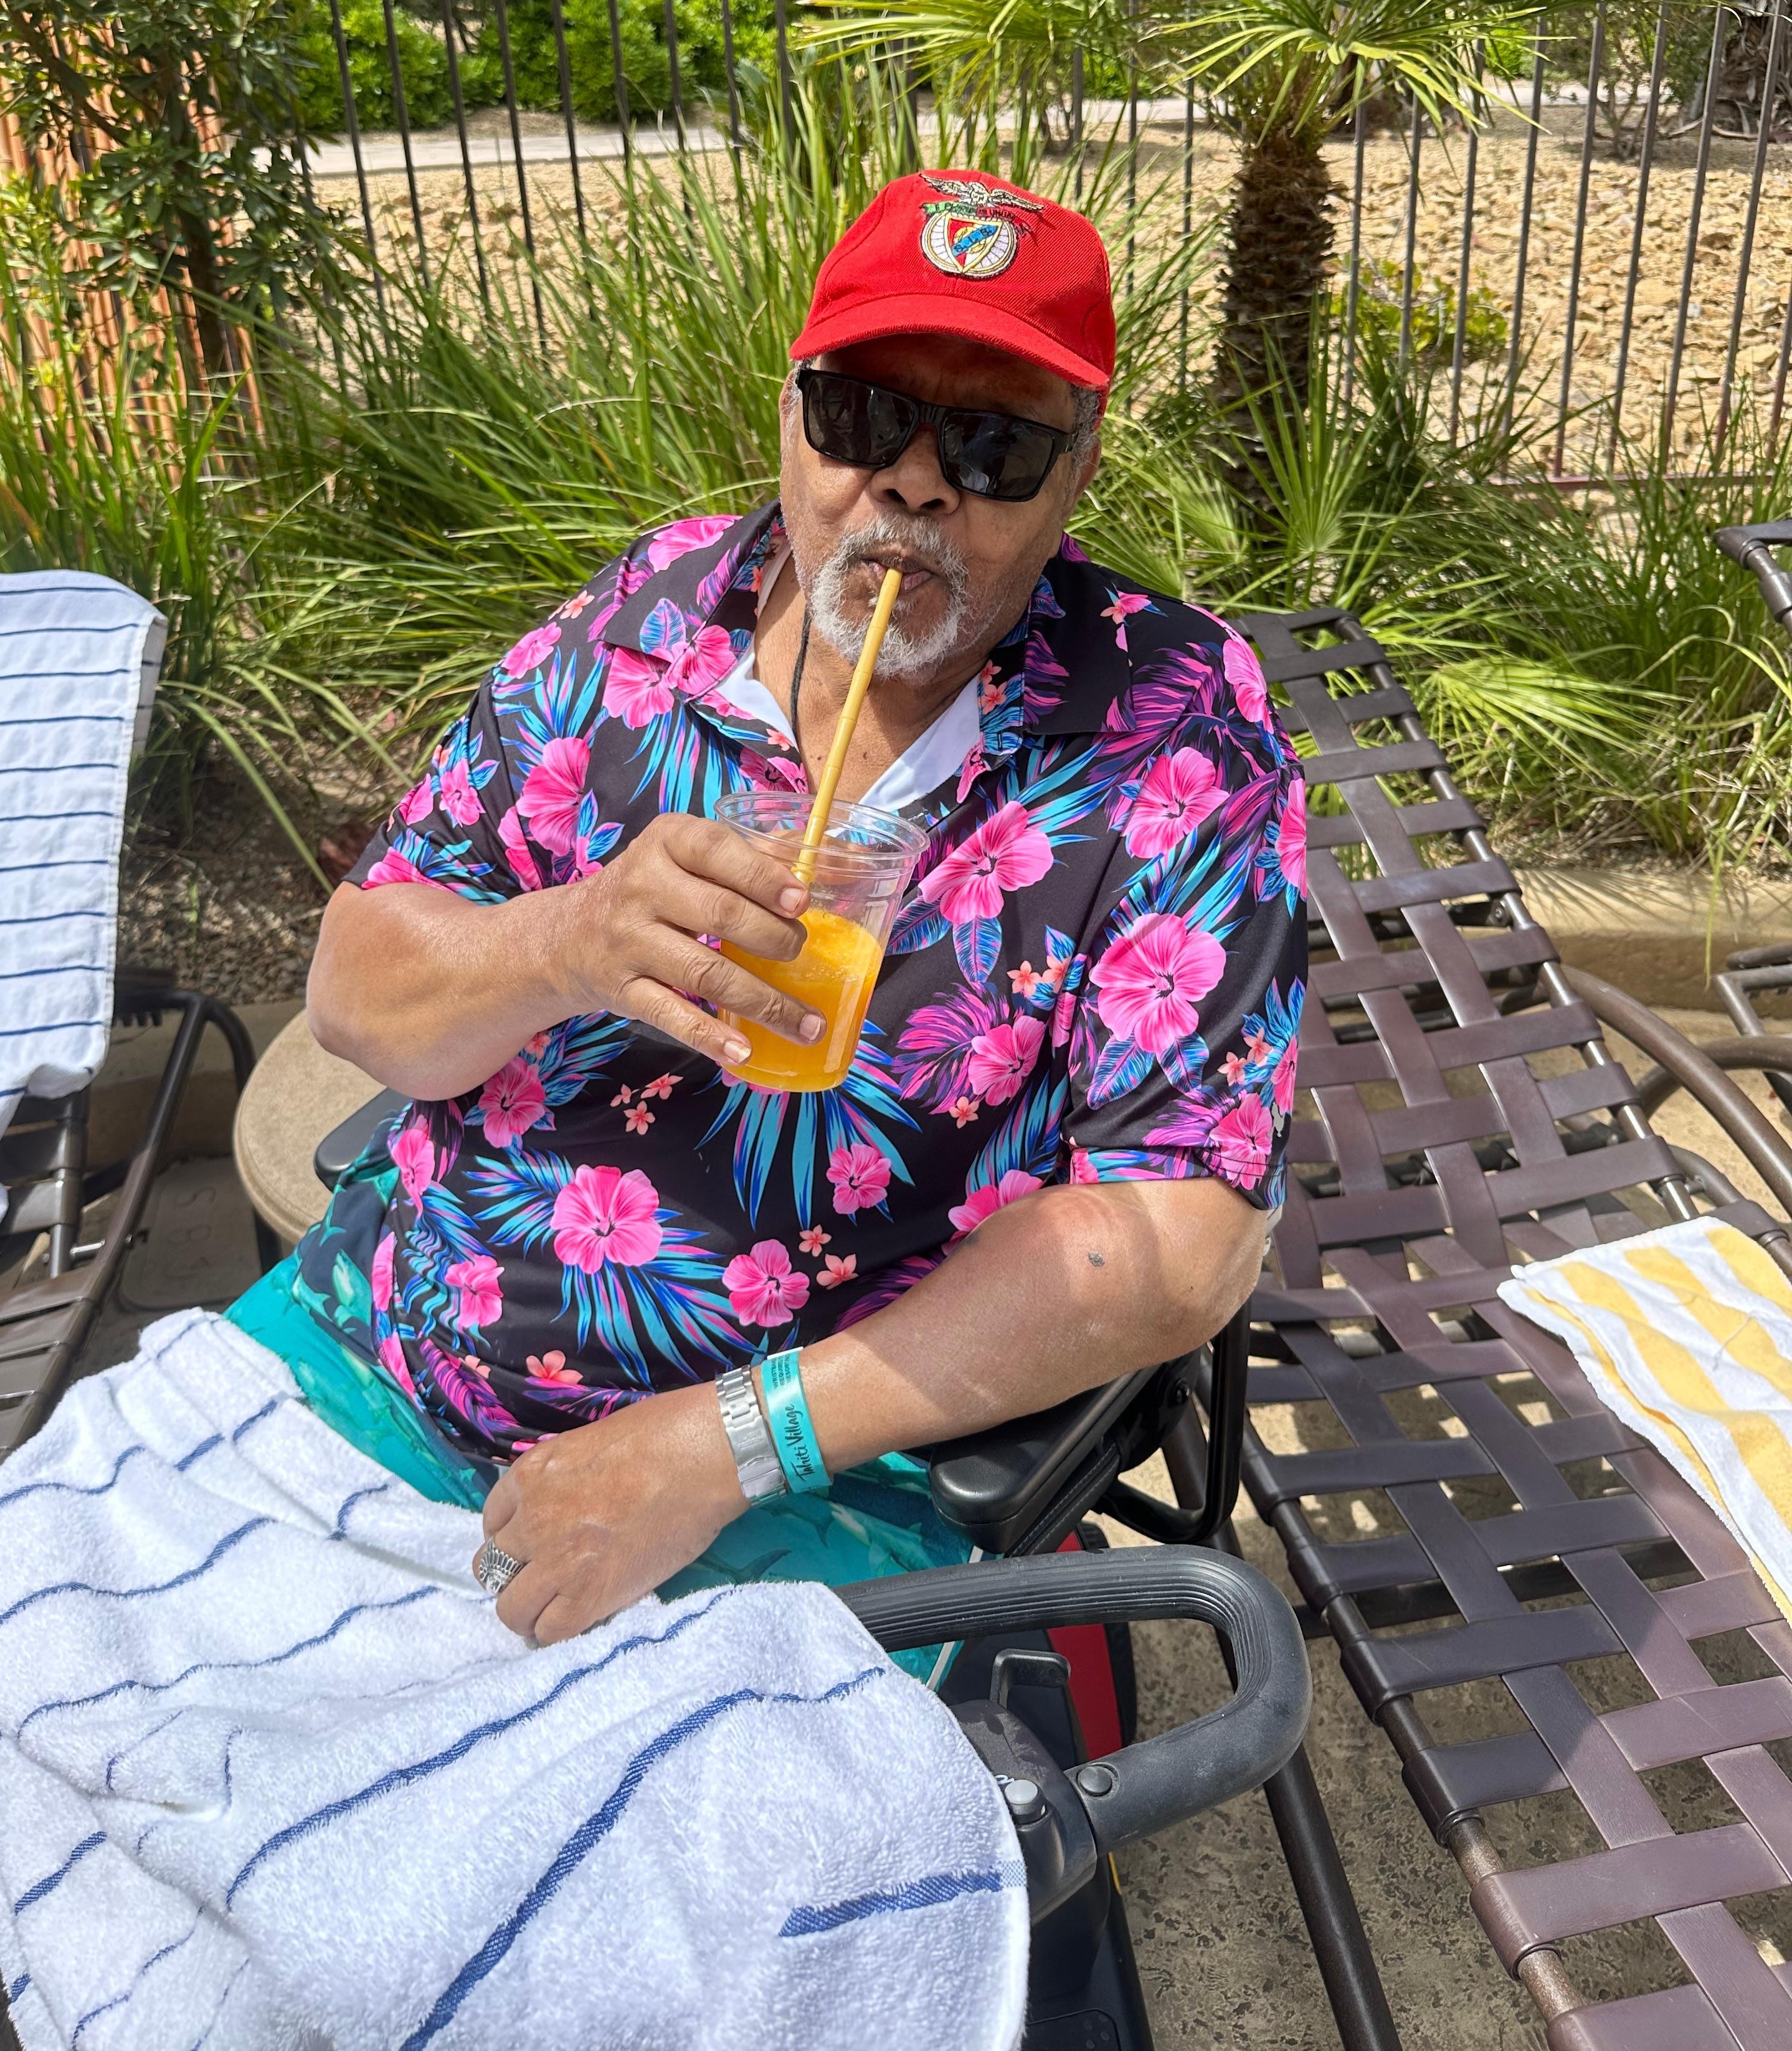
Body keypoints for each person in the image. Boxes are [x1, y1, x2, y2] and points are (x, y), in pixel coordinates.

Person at [242, 167, 1306, 1663]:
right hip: (376, 1343)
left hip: (809, 1483)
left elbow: (1184, 1236)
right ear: (793, 413)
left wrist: (722, 1446)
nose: (914, 484)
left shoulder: (1171, 731)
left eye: (992, 445)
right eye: (865, 414)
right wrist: (567, 938)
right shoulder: (654, 613)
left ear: (1078, 473)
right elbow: (358, 987)